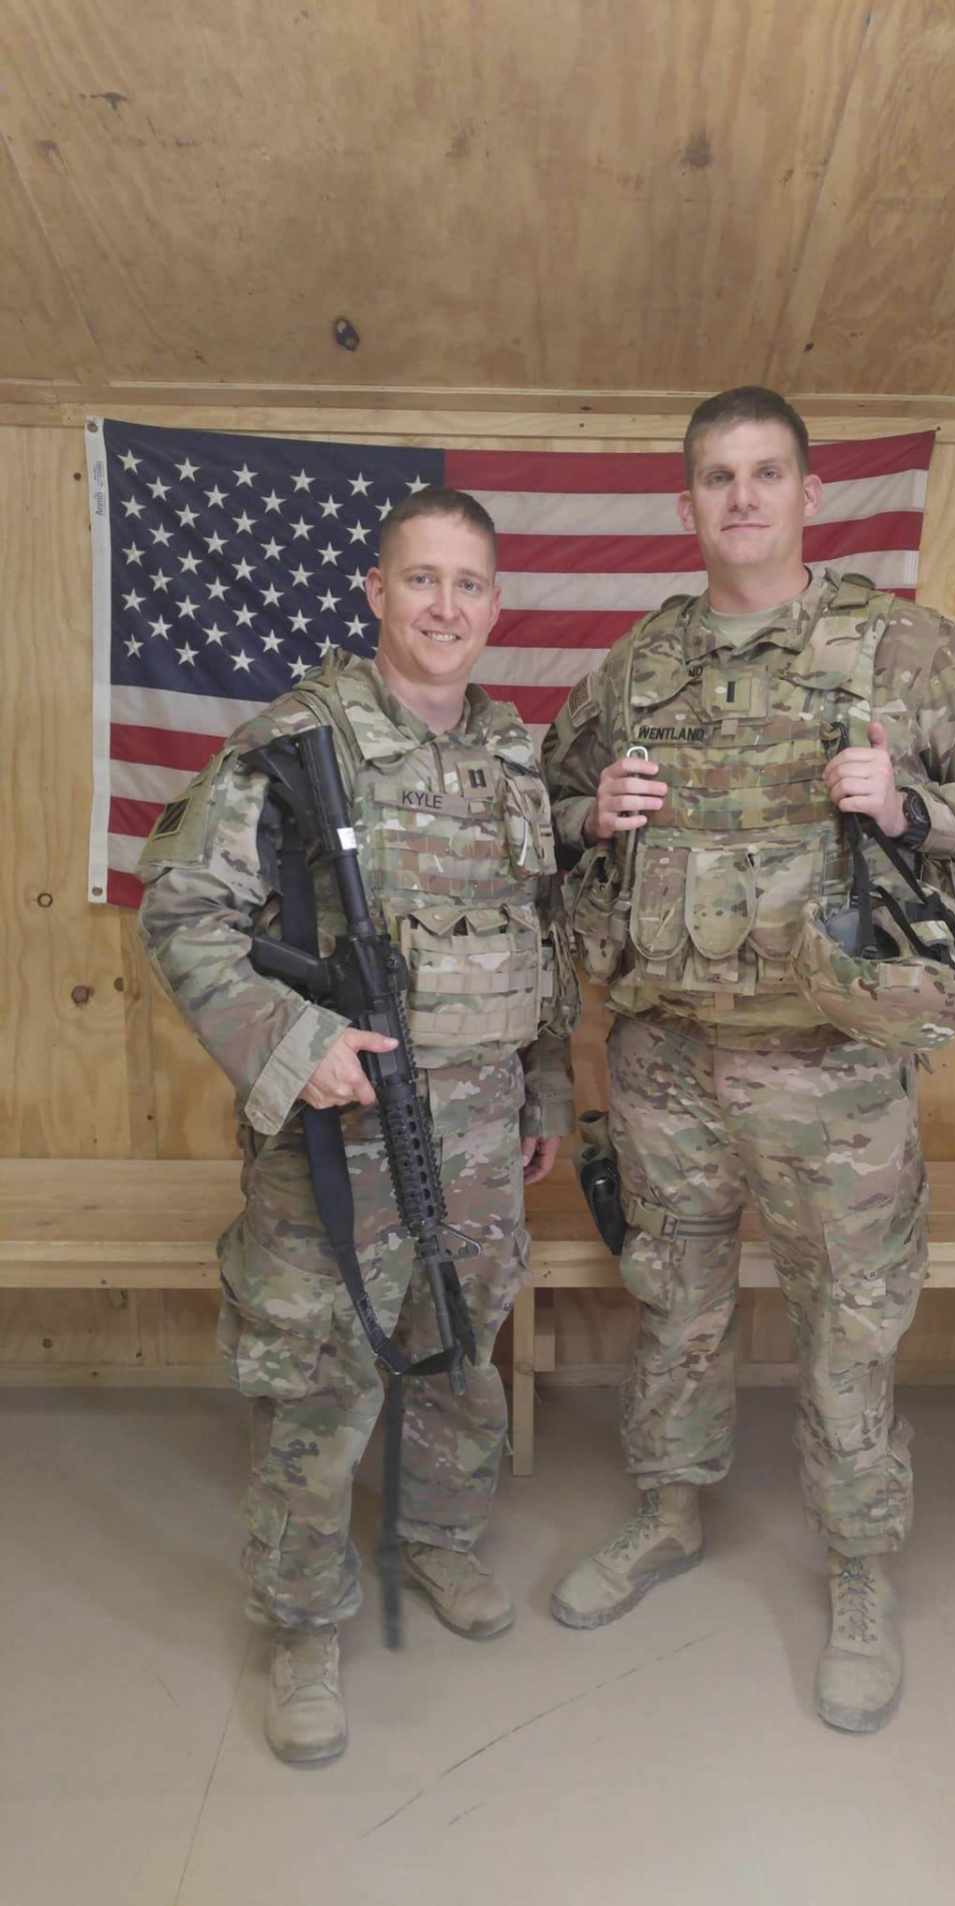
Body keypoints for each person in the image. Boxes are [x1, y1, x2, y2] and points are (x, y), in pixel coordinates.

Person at [541, 386, 955, 1732]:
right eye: (715, 477)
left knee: (848, 1327)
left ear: (805, 491)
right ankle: (666, 1513)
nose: (739, 498)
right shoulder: (633, 668)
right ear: (684, 504)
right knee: (675, 1303)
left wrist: (909, 802)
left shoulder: (896, 648)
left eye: (763, 472)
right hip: (662, 1062)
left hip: (832, 1070)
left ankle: (856, 1569)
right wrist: (585, 809)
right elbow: (534, 813)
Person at [138, 488, 578, 1764]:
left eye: (468, 585)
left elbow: (541, 940)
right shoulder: (292, 742)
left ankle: (437, 1541)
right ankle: (303, 1623)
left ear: (494, 606)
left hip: (485, 1131)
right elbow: (183, 915)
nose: (445, 606)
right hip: (339, 1136)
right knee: (318, 1389)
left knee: (460, 1355)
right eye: (420, 580)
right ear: (375, 592)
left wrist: (546, 1091)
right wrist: (295, 1042)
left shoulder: (511, 754)